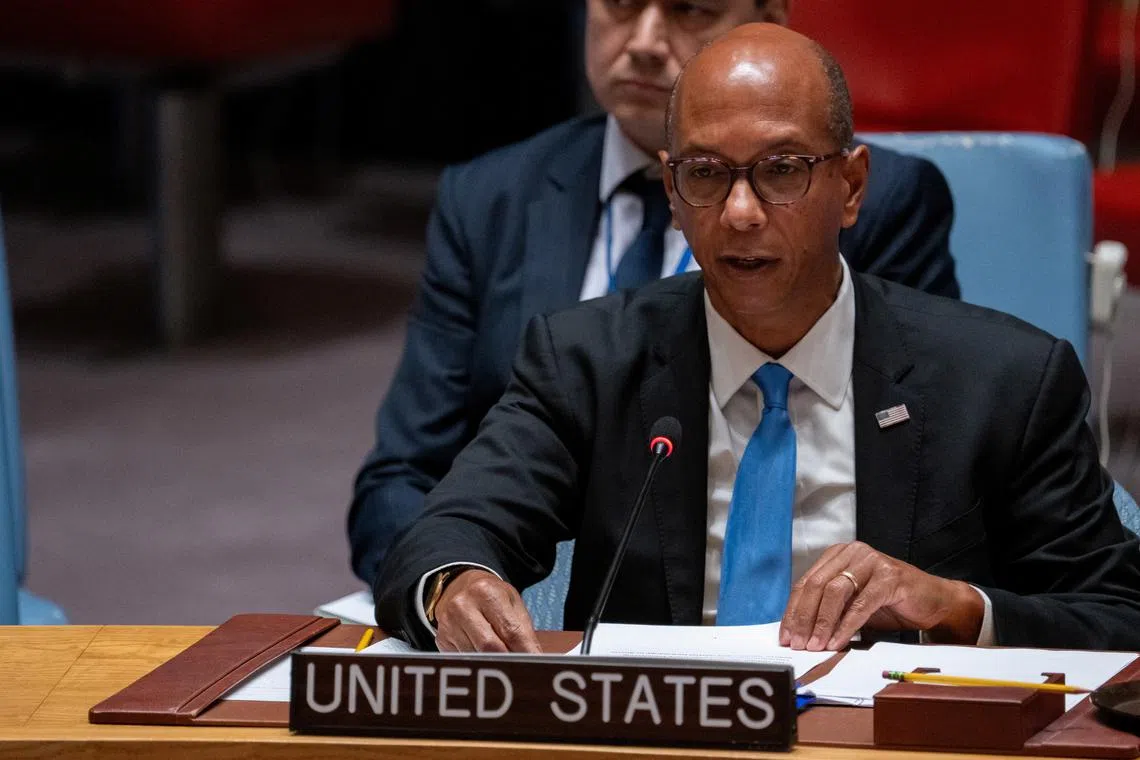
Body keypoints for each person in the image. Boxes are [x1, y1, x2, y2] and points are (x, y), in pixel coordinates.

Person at [372, 23, 1140, 655]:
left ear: (851, 186)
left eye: (782, 170)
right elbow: (444, 531)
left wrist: (956, 607)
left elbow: (1118, 612)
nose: (740, 212)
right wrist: (455, 584)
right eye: (706, 175)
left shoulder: (1002, 378)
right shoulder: (588, 360)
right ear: (673, 193)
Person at [348, 0, 961, 587]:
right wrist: (441, 586)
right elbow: (402, 475)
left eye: (689, 9)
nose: (642, 42)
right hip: (515, 591)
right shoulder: (488, 197)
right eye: (620, 4)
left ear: (771, 18)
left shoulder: (867, 201)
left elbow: (921, 473)